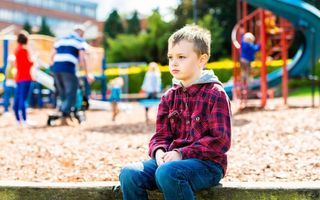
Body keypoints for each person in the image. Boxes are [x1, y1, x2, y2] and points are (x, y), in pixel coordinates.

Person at [119, 24, 231, 200]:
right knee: (129, 173)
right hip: (170, 163)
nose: (174, 62)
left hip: (207, 165)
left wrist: (181, 153)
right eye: (171, 57)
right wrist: (159, 153)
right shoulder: (169, 97)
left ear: (202, 60)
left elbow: (220, 141)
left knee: (167, 172)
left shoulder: (215, 94)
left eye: (181, 57)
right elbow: (160, 136)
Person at [51, 24, 93, 125]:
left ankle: (63, 113)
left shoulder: (61, 40)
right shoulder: (80, 41)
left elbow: (52, 55)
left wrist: (52, 68)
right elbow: (83, 58)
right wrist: (88, 74)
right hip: (68, 68)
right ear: (82, 34)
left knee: (62, 93)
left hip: (56, 68)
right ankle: (64, 116)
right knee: (72, 93)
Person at [13, 30, 34, 126]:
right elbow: (28, 64)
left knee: (17, 99)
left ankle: (18, 119)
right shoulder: (24, 50)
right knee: (23, 99)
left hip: (18, 78)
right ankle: (24, 120)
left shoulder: (16, 50)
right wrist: (34, 60)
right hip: (26, 78)